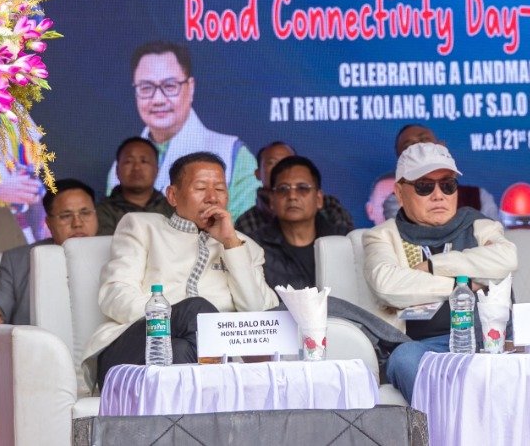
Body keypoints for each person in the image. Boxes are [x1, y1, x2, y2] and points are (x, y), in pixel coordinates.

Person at [86, 152, 277, 380]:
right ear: (173, 195)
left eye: (219, 189)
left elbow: (256, 317)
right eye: (201, 188)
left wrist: (230, 245)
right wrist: (171, 321)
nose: (212, 198)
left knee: (179, 350)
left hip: (192, 360)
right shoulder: (142, 227)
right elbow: (116, 296)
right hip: (133, 352)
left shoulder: (245, 247)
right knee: (195, 310)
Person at [364, 142, 516, 401]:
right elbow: (387, 284)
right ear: (399, 193)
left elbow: (507, 258)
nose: (438, 195)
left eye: (447, 185)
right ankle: (447, 421)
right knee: (403, 359)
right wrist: (462, 285)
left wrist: (434, 266)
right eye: (424, 186)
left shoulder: (479, 225)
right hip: (423, 346)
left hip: (487, 338)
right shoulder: (382, 236)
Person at [106, 41, 258, 221]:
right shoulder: (121, 165)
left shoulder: (233, 153)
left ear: (190, 87)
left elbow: (245, 229)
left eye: (169, 86)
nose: (158, 99)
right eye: (146, 88)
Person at [0, 180, 98, 327]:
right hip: (37, 340)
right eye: (66, 216)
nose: (77, 223)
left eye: (85, 213)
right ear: (49, 223)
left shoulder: (116, 253)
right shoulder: (18, 260)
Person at [246, 156, 351, 289]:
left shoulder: (345, 241)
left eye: (302, 188)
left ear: (319, 199)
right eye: (283, 189)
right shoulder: (253, 246)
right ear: (272, 200)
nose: (292, 196)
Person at [378, 124, 499, 220]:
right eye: (410, 145)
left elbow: (495, 239)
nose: (420, 147)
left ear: (442, 146)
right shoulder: (395, 202)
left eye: (424, 140)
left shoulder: (478, 196)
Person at [96, 137, 175, 234]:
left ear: (157, 170)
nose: (136, 168)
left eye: (144, 161)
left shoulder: (173, 209)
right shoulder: (102, 211)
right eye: (128, 161)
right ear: (117, 170)